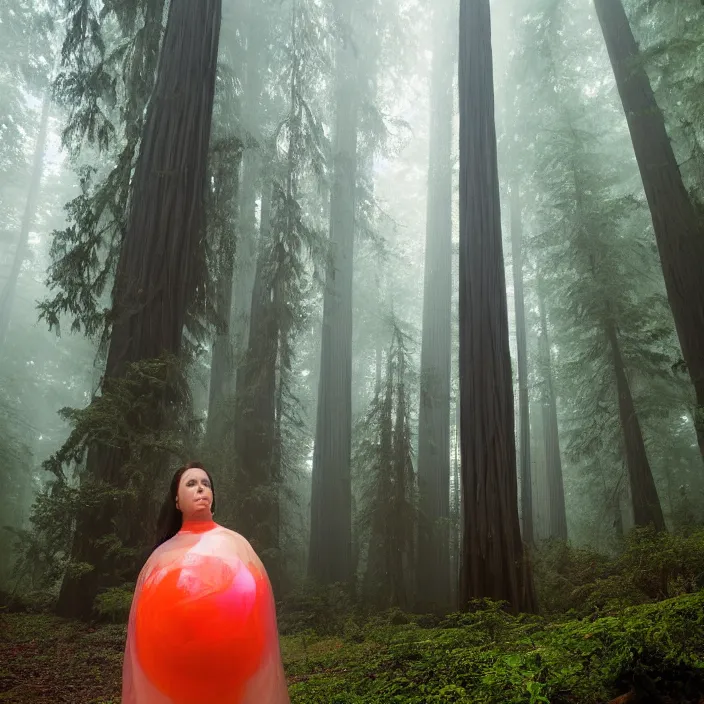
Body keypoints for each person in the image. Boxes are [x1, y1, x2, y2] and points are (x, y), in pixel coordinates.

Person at [122, 461, 290, 703]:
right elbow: (148, 624)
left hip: (233, 666)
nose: (201, 489)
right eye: (191, 484)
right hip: (178, 671)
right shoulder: (161, 557)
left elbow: (258, 606)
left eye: (206, 484)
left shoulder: (236, 545)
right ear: (177, 501)